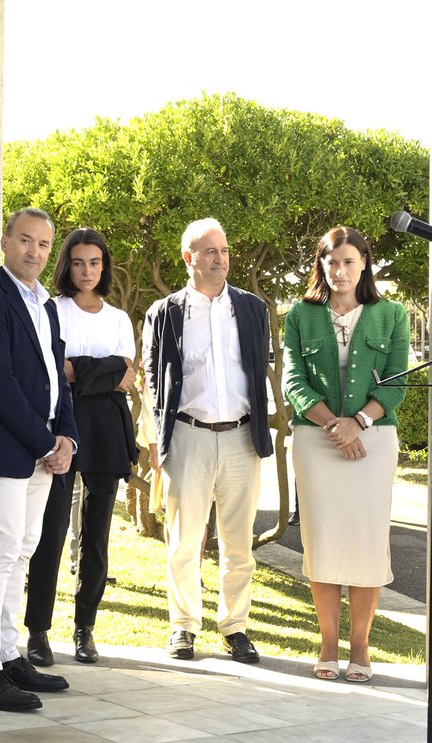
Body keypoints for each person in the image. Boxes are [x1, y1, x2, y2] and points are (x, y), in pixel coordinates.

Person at [0, 208, 79, 711]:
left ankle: (7, 655)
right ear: (5, 242)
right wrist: (43, 442)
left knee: (22, 551)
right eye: (25, 240)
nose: (34, 251)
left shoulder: (45, 306)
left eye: (44, 245)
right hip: (5, 449)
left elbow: (56, 379)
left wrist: (67, 435)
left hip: (42, 450)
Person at [141, 218, 272, 663]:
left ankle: (235, 627)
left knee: (239, 544)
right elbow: (154, 382)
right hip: (188, 436)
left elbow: (259, 371)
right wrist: (159, 439)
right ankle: (183, 627)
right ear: (188, 258)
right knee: (184, 541)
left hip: (241, 438)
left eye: (225, 249)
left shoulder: (252, 308)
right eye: (210, 251)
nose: (221, 258)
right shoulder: (165, 312)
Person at [282, 225, 409, 682]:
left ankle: (361, 647)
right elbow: (293, 380)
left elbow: (398, 381)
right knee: (324, 539)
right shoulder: (300, 314)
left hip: (372, 440)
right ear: (321, 264)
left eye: (349, 261)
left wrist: (358, 422)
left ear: (364, 264)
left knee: (366, 540)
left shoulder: (391, 314)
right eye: (331, 262)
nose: (339, 270)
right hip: (318, 440)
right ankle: (329, 644)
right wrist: (333, 424)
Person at [24, 228, 136, 666]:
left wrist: (84, 370)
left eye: (94, 262)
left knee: (97, 536)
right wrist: (103, 371)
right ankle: (38, 631)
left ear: (104, 265)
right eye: (77, 262)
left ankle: (85, 628)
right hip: (62, 424)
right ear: (66, 266)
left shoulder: (119, 319)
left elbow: (127, 375)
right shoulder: (54, 310)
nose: (86, 271)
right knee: (50, 532)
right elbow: (55, 370)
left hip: (108, 429)